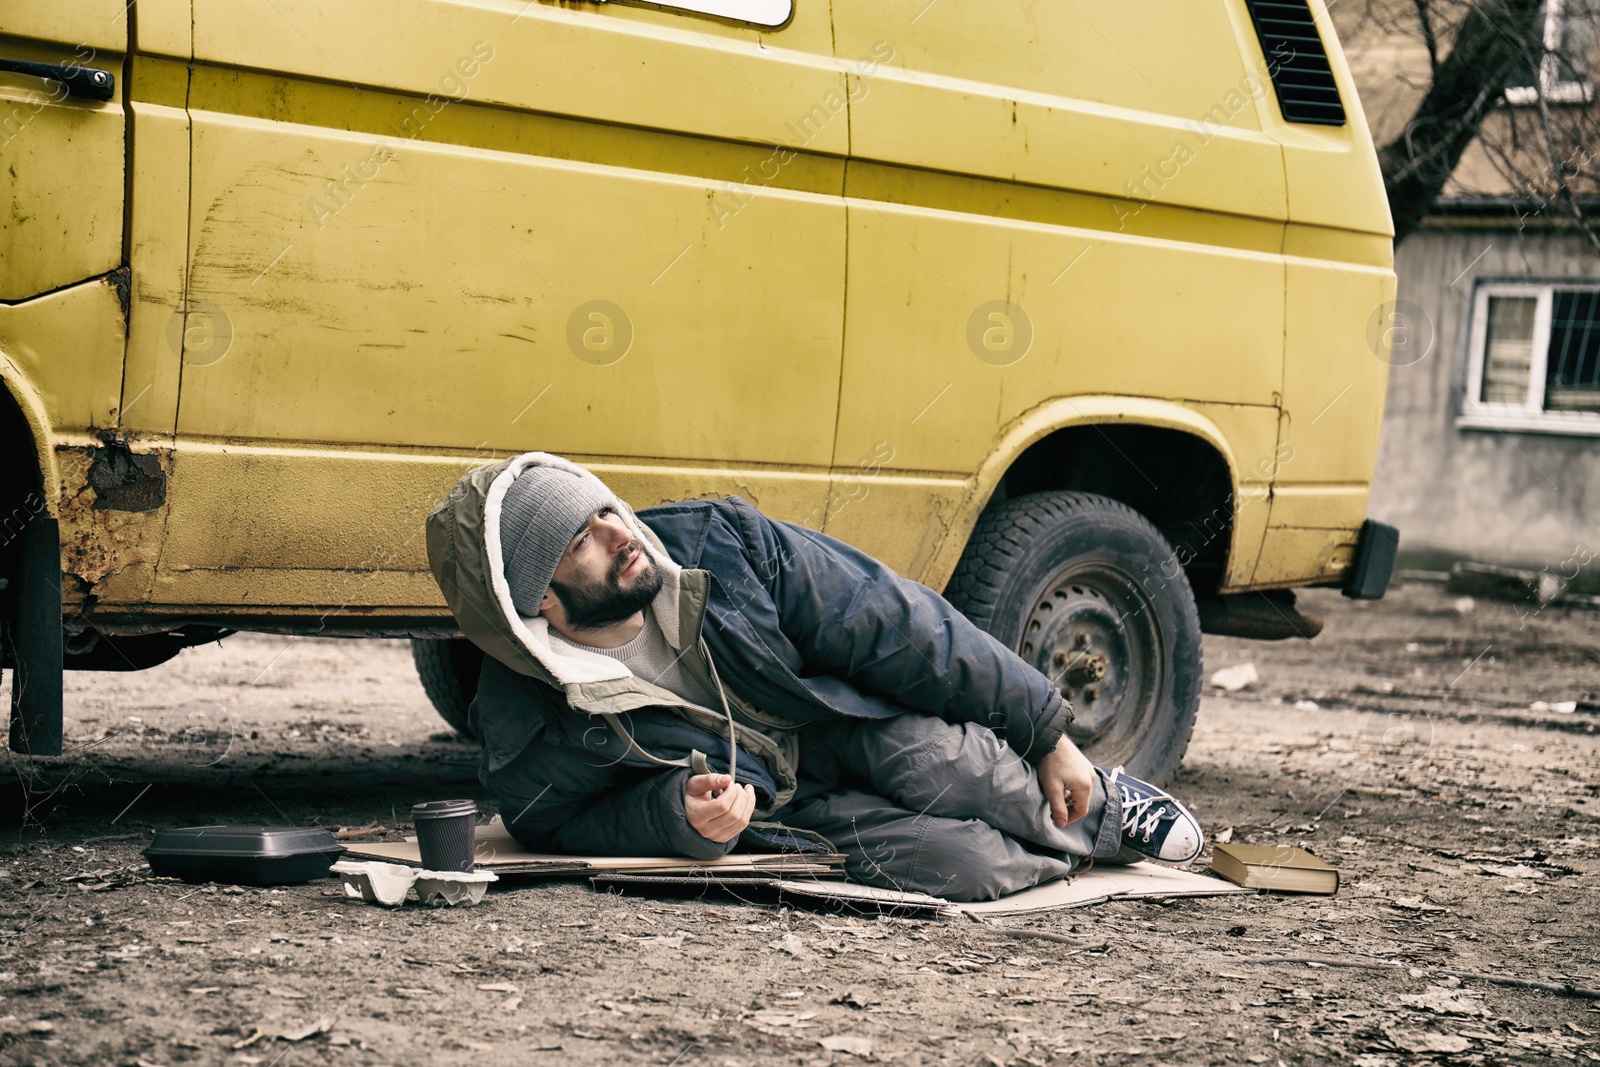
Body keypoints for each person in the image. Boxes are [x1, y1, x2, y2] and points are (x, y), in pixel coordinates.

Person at [425, 452, 1204, 902]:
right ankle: (1075, 852)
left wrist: (1045, 729)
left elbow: (900, 625)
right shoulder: (525, 717)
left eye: (600, 511)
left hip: (844, 717)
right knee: (966, 866)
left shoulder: (720, 543)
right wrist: (672, 814)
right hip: (791, 808)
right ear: (542, 603)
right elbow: (553, 823)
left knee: (949, 766)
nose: (614, 532)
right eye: (576, 545)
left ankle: (1104, 803)